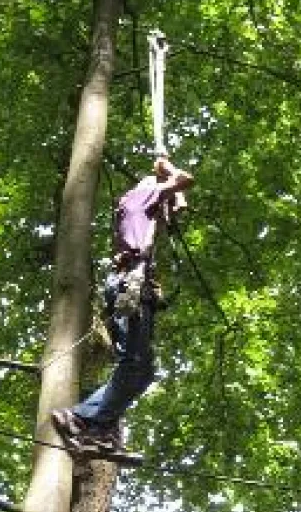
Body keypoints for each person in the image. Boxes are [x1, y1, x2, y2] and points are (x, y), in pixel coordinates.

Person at [52, 156, 194, 452]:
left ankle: (86, 419)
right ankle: (93, 425)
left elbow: (177, 208)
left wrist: (176, 200)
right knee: (134, 363)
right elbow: (185, 179)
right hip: (130, 285)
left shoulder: (137, 210)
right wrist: (166, 168)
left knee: (143, 370)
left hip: (131, 286)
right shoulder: (143, 195)